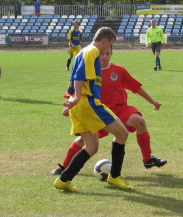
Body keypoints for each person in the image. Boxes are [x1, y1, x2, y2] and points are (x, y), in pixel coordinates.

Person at [52, 45, 167, 176]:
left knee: (139, 121)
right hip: (96, 111)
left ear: (112, 53)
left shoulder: (118, 70)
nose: (104, 57)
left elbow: (135, 87)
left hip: (119, 109)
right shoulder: (89, 71)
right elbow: (73, 92)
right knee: (83, 141)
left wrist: (152, 101)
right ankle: (64, 167)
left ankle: (147, 159)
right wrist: (68, 107)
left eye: (108, 53)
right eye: (102, 54)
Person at [53, 27, 133, 192]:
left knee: (92, 147)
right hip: (88, 102)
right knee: (122, 133)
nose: (108, 50)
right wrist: (76, 98)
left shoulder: (83, 51)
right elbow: (79, 75)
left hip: (80, 103)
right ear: (105, 41)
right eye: (109, 45)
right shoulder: (92, 52)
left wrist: (72, 99)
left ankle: (64, 179)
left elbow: (73, 77)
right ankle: (115, 176)